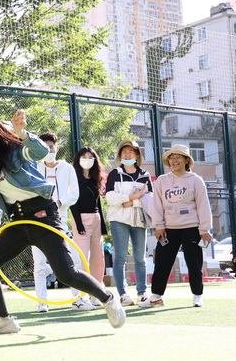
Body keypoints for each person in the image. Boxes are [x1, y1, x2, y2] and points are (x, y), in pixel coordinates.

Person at [0, 110, 125, 334]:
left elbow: (40, 151)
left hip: (43, 215)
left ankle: (108, 298)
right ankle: (3, 319)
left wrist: (22, 133)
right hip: (18, 221)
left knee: (66, 273)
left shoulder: (15, 150)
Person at [139, 144, 213, 308]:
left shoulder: (196, 180)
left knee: (194, 263)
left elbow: (203, 205)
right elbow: (157, 205)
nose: (174, 160)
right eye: (171, 158)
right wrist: (159, 225)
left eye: (178, 157)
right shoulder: (162, 180)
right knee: (162, 263)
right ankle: (156, 296)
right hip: (168, 229)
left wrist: (204, 229)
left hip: (192, 227)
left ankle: (198, 295)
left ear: (187, 160)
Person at [31, 132, 92, 313]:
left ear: (57, 148)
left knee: (74, 260)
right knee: (39, 263)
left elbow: (74, 194)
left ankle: (78, 299)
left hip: (59, 222)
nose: (49, 150)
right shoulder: (34, 167)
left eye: (51, 146)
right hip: (37, 222)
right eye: (44, 147)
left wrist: (58, 203)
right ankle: (42, 301)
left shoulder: (67, 168)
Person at [105, 139, 153, 306]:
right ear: (120, 155)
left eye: (131, 152)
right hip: (119, 219)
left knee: (140, 258)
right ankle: (123, 294)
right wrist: (131, 196)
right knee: (120, 257)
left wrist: (131, 202)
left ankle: (142, 293)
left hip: (139, 220)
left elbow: (150, 199)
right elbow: (110, 198)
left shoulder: (145, 175)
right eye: (124, 152)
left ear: (137, 155)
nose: (127, 154)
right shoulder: (114, 173)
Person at [70, 147, 107, 307]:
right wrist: (79, 223)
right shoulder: (74, 178)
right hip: (81, 219)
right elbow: (73, 203)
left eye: (90, 157)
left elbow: (98, 202)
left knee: (98, 258)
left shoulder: (95, 178)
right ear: (78, 159)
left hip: (96, 219)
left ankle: (96, 293)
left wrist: (103, 225)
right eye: (84, 157)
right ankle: (79, 296)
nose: (87, 160)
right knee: (81, 258)